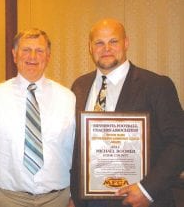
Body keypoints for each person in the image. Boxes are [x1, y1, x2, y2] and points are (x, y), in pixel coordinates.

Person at [69, 18, 184, 207]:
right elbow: (76, 147)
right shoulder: (79, 86)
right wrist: (74, 194)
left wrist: (147, 190)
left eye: (113, 41)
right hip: (87, 200)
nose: (106, 48)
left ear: (126, 43)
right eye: (99, 42)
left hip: (137, 200)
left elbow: (179, 141)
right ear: (90, 47)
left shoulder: (156, 85)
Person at [0, 28, 76, 207]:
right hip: (9, 200)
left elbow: (76, 154)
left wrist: (75, 197)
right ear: (14, 54)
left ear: (48, 56)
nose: (33, 56)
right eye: (26, 50)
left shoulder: (68, 98)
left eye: (40, 51)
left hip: (58, 200)